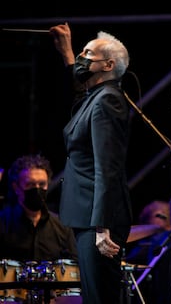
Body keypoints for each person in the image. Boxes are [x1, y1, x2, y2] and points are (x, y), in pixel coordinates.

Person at [49, 23, 133, 304]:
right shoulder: (95, 97)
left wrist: (102, 226)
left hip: (98, 221)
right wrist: (67, 53)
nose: (83, 59)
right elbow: (77, 86)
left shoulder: (108, 101)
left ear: (108, 64)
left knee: (101, 297)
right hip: (87, 215)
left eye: (88, 54)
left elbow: (107, 167)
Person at [0, 154, 78, 302]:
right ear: (17, 187)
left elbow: (74, 268)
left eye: (42, 184)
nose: (37, 189)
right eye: (30, 184)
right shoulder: (3, 222)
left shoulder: (63, 225)